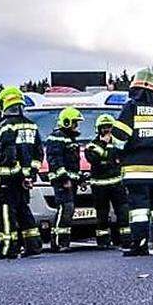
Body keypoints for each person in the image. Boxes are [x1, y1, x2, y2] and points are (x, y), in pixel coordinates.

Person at [111, 68, 153, 255]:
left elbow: (119, 136)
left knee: (138, 208)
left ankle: (139, 244)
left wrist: (117, 153)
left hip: (136, 168)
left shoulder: (131, 107)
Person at [0, 86, 44, 260]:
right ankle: (33, 246)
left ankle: (7, 248)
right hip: (25, 179)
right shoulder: (31, 125)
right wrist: (30, 175)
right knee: (23, 210)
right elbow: (38, 154)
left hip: (9, 179)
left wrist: (18, 174)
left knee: (6, 212)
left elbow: (9, 153)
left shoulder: (6, 126)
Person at [84, 113, 129, 249]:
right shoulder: (92, 145)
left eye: (109, 127)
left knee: (123, 212)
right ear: (98, 129)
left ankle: (125, 239)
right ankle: (103, 241)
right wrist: (103, 143)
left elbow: (124, 158)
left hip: (117, 184)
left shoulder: (118, 144)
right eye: (104, 127)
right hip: (99, 185)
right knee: (102, 215)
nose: (107, 130)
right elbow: (93, 159)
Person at [45, 107, 84, 252]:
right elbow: (55, 160)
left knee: (68, 210)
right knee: (65, 208)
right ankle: (59, 242)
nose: (76, 126)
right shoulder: (57, 137)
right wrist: (64, 178)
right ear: (67, 122)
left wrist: (79, 177)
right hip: (62, 181)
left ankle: (63, 241)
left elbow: (73, 162)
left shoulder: (70, 139)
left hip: (70, 181)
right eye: (74, 123)